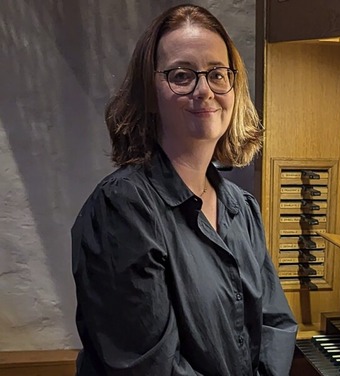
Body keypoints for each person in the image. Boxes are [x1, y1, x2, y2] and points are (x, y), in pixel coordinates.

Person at [71, 4, 298, 375]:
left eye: (217, 74)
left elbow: (275, 324)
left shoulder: (241, 208)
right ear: (150, 92)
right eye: (181, 75)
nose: (204, 90)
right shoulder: (123, 208)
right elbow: (148, 366)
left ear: (233, 86)